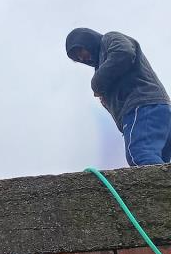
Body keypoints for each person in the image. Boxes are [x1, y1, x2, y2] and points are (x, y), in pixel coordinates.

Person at [66, 28, 171, 166]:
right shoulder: (102, 63)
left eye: (80, 51)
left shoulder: (109, 39)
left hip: (142, 107)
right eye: (77, 59)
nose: (81, 58)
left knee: (140, 155)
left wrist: (96, 84)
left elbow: (124, 52)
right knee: (160, 163)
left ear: (87, 40)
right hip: (156, 110)